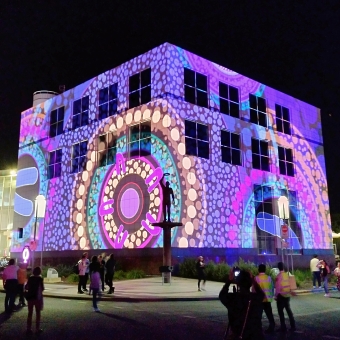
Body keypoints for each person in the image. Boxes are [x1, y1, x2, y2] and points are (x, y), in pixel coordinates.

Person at [219, 269, 265, 339]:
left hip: (239, 334)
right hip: (255, 336)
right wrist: (253, 279)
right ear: (250, 283)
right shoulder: (256, 298)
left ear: (238, 283)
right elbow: (261, 294)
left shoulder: (233, 298)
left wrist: (229, 280)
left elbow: (222, 295)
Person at [275, 262, 296, 332]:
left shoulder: (278, 276)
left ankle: (283, 327)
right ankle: (293, 326)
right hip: (287, 295)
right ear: (283, 267)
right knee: (289, 311)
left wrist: (276, 296)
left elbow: (277, 287)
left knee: (281, 312)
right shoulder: (288, 274)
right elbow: (291, 283)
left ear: (278, 268)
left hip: (281, 295)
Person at [254, 264, 275, 333]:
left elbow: (253, 290)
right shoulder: (269, 278)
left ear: (258, 269)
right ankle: (272, 327)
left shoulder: (256, 278)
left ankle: (258, 329)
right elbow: (272, 288)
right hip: (267, 300)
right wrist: (271, 297)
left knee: (258, 316)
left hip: (259, 300)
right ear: (265, 270)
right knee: (269, 315)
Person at [25, 266, 44, 334]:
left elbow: (26, 287)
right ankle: (37, 329)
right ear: (39, 272)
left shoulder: (30, 278)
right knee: (38, 313)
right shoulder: (40, 278)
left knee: (30, 313)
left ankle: (28, 328)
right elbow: (42, 288)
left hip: (30, 297)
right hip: (37, 297)